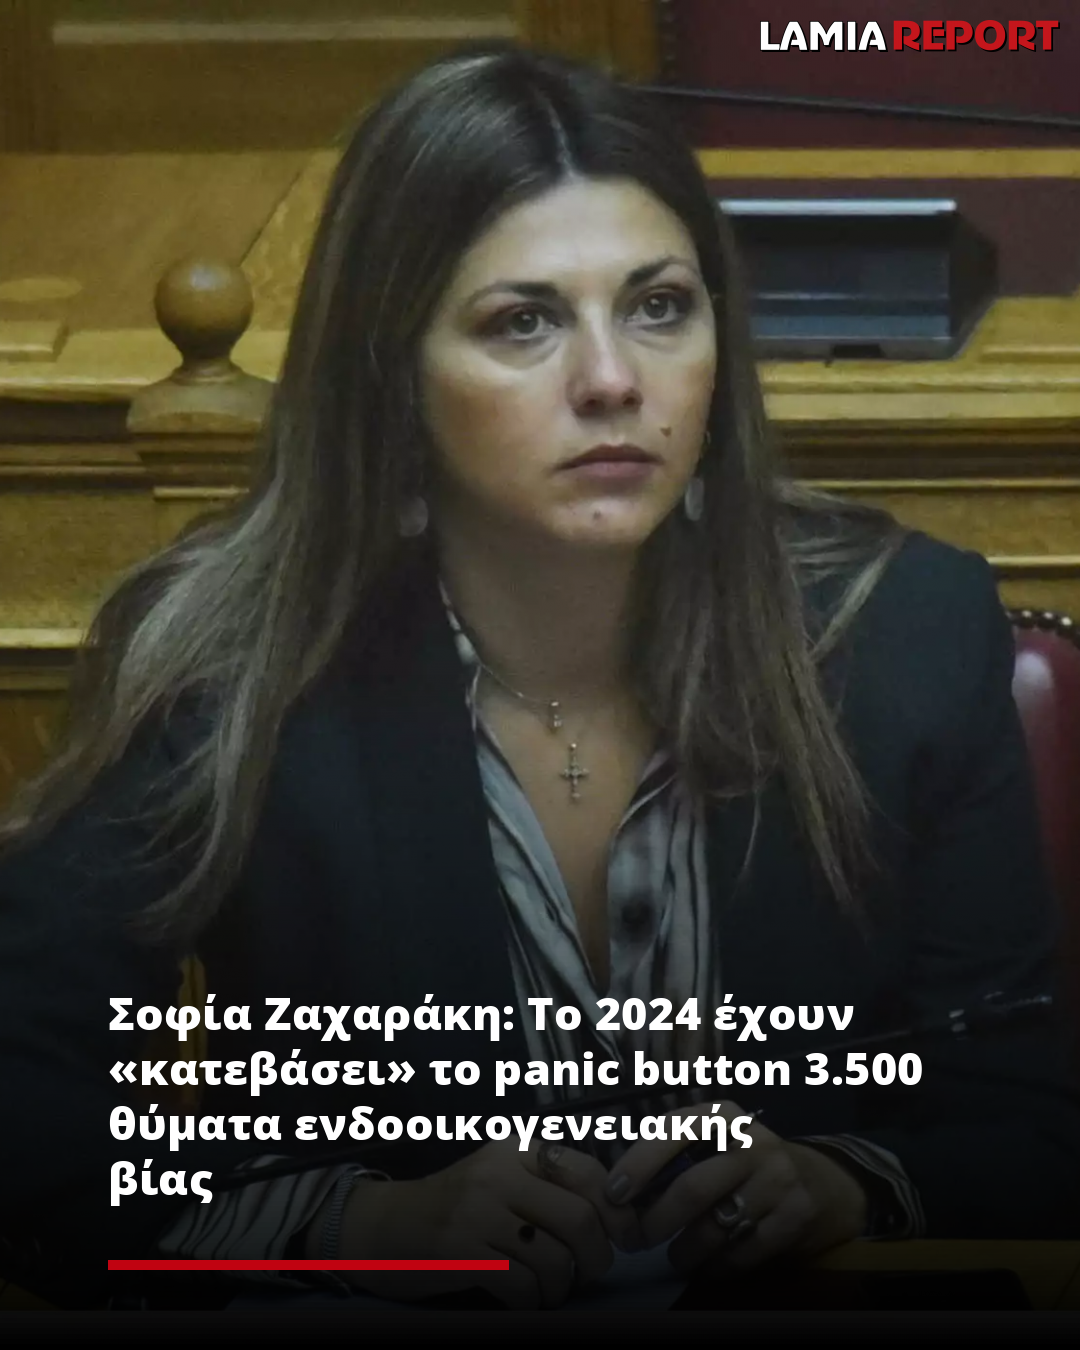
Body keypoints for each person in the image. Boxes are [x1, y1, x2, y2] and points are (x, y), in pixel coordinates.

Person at [0, 44, 1077, 1312]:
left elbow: (1030, 1116)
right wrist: (360, 1222)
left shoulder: (902, 631)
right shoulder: (220, 665)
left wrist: (852, 1183)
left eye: (659, 307)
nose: (613, 380)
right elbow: (34, 1129)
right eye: (524, 322)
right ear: (392, 375)